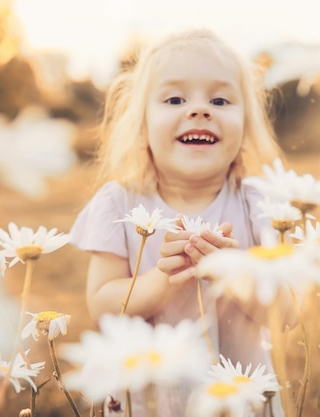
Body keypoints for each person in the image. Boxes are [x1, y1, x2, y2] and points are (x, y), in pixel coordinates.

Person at [69, 28, 286, 416]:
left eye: (220, 99)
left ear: (246, 126)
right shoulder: (118, 203)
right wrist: (159, 283)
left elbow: (288, 316)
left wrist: (233, 273)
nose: (200, 110)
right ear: (142, 125)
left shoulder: (260, 205)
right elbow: (102, 304)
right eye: (175, 99)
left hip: (238, 400)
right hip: (148, 400)